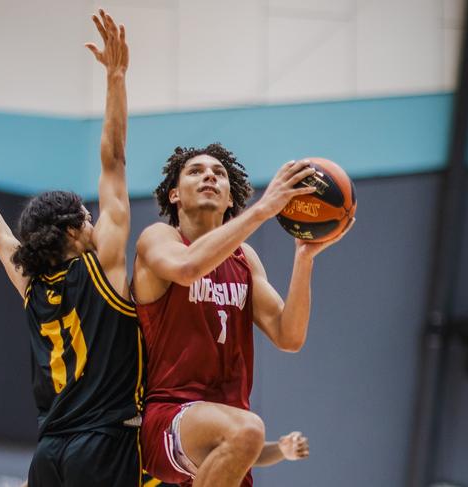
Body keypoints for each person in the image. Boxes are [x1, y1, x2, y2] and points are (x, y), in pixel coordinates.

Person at [0, 10, 147, 486]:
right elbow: (114, 161)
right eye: (87, 217)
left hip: (48, 454)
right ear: (71, 232)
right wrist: (116, 77)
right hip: (100, 443)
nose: (95, 221)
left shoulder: (33, 285)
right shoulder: (102, 266)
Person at [134, 144, 354, 486]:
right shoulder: (160, 238)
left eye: (219, 173)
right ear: (174, 195)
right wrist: (263, 209)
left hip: (229, 432)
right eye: (195, 171)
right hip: (169, 415)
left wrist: (304, 258)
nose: (209, 174)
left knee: (246, 431)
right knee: (249, 428)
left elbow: (289, 335)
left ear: (229, 199)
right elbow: (188, 268)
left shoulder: (244, 259)